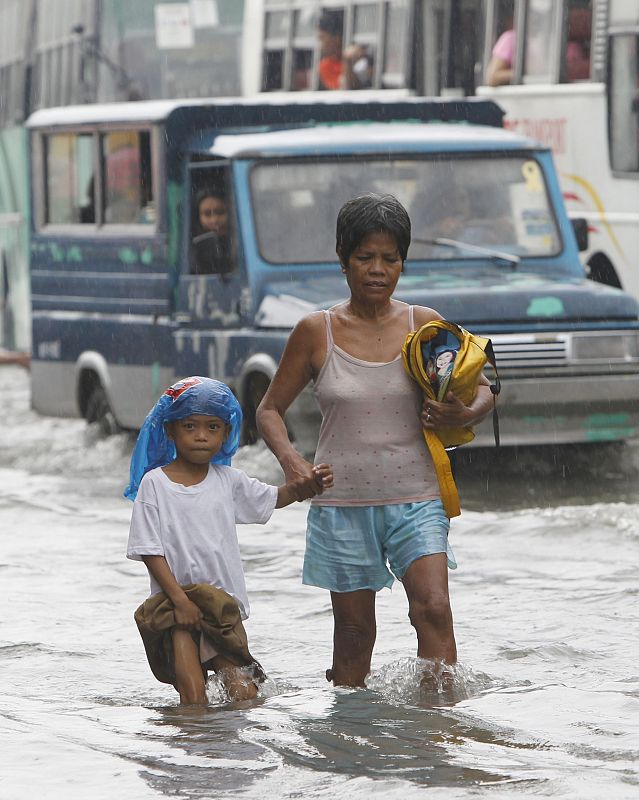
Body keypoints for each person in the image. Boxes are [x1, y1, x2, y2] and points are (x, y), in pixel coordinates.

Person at [256, 193, 494, 689]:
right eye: (365, 257)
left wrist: (462, 409)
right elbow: (268, 410)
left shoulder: (424, 326)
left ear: (403, 262)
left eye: (390, 258)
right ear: (342, 261)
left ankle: (437, 731)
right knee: (354, 630)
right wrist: (292, 462)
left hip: (418, 498)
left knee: (433, 610)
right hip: (341, 502)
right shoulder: (315, 332)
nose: (378, 270)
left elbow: (485, 385)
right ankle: (350, 742)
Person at [125, 375, 333, 705]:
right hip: (176, 606)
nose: (201, 436)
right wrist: (180, 601)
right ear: (170, 431)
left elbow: (273, 498)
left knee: (244, 694)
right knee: (192, 698)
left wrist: (306, 485)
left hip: (223, 607)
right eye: (190, 426)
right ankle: (192, 754)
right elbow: (149, 550)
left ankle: (229, 753)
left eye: (212, 428)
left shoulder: (228, 480)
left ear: (226, 434)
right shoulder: (154, 485)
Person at [191, 188, 231, 274]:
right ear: (198, 218)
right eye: (207, 214)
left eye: (220, 212)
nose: (215, 220)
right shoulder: (192, 250)